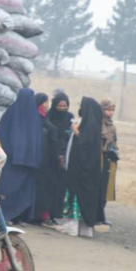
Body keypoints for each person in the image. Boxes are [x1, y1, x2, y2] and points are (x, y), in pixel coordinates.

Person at [0, 88, 42, 224]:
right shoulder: (11, 114)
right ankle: (4, 216)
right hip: (12, 161)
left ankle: (19, 216)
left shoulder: (34, 117)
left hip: (28, 162)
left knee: (24, 191)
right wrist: (12, 153)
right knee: (9, 189)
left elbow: (38, 139)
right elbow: (2, 135)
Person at [60, 97, 104, 238]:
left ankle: (72, 227)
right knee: (87, 199)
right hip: (90, 173)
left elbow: (84, 144)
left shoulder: (88, 127)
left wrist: (75, 130)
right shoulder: (94, 126)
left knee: (76, 197)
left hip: (79, 172)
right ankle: (85, 230)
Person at [46, 91, 74, 221]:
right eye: (60, 106)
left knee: (60, 187)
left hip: (65, 156)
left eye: (65, 106)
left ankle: (57, 212)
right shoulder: (48, 116)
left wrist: (64, 155)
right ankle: (47, 213)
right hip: (50, 156)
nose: (62, 108)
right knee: (49, 185)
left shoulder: (70, 118)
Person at [33, 93, 61, 226]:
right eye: (45, 102)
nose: (47, 105)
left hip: (48, 159)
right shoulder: (37, 118)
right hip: (42, 159)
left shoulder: (45, 117)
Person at [98, 99, 118, 227]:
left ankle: (101, 215)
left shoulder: (112, 125)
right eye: (107, 109)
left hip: (109, 160)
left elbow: (114, 142)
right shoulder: (97, 123)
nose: (110, 113)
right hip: (99, 159)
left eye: (112, 110)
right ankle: (96, 215)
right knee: (98, 189)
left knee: (106, 190)